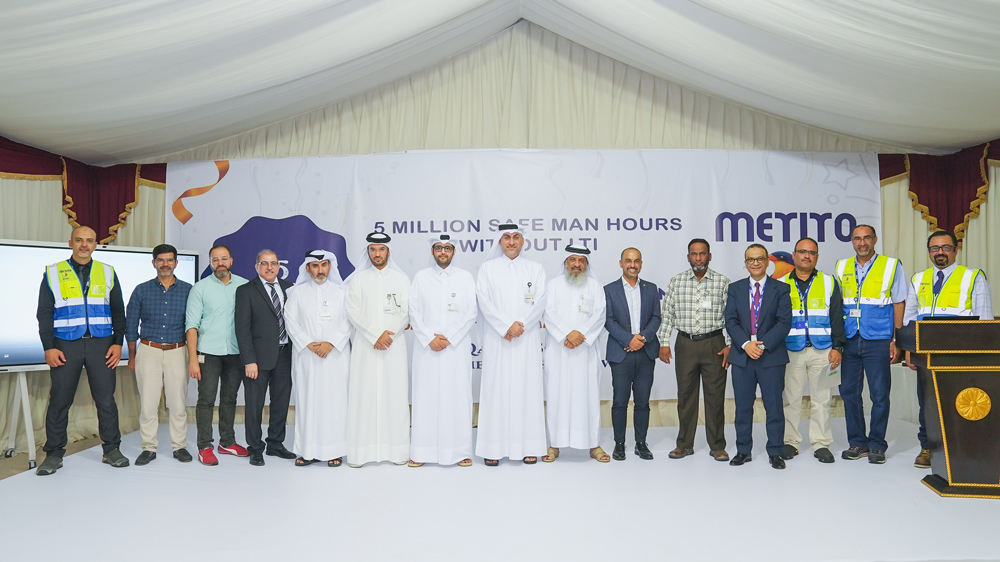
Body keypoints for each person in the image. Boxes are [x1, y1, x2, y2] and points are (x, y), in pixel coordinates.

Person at [35, 226, 129, 475]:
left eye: (89, 241)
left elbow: (118, 311)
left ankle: (112, 450)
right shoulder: (53, 272)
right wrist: (49, 347)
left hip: (102, 345)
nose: (84, 245)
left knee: (106, 400)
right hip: (65, 345)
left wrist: (118, 343)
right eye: (79, 240)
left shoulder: (107, 272)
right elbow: (44, 313)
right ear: (70, 243)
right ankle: (54, 454)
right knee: (59, 401)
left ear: (96, 244)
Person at [903, 230, 992, 468]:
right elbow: (910, 318)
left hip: (961, 356)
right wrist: (909, 352)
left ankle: (962, 449)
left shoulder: (973, 276)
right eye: (934, 248)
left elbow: (985, 320)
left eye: (945, 247)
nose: (940, 252)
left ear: (955, 249)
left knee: (958, 403)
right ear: (929, 251)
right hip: (926, 356)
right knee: (928, 403)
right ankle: (928, 448)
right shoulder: (918, 278)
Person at [475, 223, 548, 466]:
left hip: (526, 340)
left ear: (523, 241)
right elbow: (484, 302)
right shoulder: (487, 269)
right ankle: (492, 448)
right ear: (499, 241)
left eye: (516, 237)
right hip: (498, 340)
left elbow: (540, 302)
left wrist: (521, 326)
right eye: (506, 237)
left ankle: (529, 446)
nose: (511, 242)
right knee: (496, 390)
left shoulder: (535, 269)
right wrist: (506, 325)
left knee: (527, 390)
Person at [835, 225, 907, 464]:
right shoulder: (842, 266)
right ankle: (857, 442)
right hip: (849, 339)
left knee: (879, 394)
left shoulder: (891, 265)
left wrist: (896, 340)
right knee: (849, 393)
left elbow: (899, 303)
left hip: (878, 340)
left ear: (875, 240)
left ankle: (877, 444)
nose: (862, 242)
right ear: (852, 241)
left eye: (867, 238)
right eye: (857, 238)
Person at [657, 238, 731, 462]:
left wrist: (729, 345)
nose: (698, 258)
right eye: (694, 254)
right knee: (686, 397)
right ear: (688, 256)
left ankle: (717, 445)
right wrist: (664, 342)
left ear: (710, 256)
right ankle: (684, 444)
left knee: (715, 398)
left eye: (702, 254)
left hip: (714, 344)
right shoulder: (677, 281)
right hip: (686, 344)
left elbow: (731, 317)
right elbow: (667, 313)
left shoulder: (722, 282)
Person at [408, 235, 477, 467]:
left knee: (457, 397)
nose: (443, 252)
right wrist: (430, 338)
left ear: (454, 251)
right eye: (439, 248)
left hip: (455, 350)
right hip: (427, 349)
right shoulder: (421, 277)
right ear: (433, 251)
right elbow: (413, 312)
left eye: (447, 248)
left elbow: (471, 312)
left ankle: (459, 452)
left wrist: (450, 338)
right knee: (425, 398)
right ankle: (421, 452)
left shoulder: (465, 278)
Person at [777, 237, 846, 464]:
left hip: (823, 352)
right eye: (802, 252)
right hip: (790, 351)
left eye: (812, 253)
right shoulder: (780, 282)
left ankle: (821, 444)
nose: (807, 256)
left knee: (822, 400)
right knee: (791, 399)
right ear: (794, 255)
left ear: (817, 257)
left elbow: (837, 317)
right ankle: (790, 442)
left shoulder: (829, 282)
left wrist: (837, 347)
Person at [345, 233, 411, 467]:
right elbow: (352, 310)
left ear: (388, 252)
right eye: (373, 250)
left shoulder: (401, 279)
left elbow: (406, 312)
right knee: (364, 395)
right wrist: (375, 334)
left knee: (395, 394)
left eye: (381, 250)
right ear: (368, 252)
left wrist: (388, 334)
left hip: (393, 344)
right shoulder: (358, 279)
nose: (377, 254)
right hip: (366, 345)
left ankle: (397, 452)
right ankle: (361, 453)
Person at [725, 243, 792, 470]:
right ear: (745, 263)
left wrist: (761, 346)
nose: (755, 262)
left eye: (760, 258)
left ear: (766, 261)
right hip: (743, 356)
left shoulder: (781, 289)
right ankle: (743, 450)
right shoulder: (734, 289)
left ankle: (775, 451)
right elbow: (731, 321)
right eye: (751, 259)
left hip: (771, 357)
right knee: (743, 407)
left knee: (774, 406)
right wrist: (746, 344)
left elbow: (784, 323)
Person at [125, 243, 193, 465]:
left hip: (177, 351)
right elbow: (131, 325)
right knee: (148, 404)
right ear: (154, 263)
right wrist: (133, 357)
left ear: (176, 262)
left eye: (169, 260)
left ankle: (179, 446)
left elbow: (193, 325)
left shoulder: (188, 290)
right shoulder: (141, 290)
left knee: (178, 404)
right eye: (161, 260)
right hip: (148, 350)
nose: (165, 264)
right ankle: (149, 447)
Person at [284, 250, 352, 467]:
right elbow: (290, 321)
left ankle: (335, 450)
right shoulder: (296, 293)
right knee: (307, 401)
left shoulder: (342, 292)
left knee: (335, 403)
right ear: (308, 268)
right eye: (315, 266)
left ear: (329, 267)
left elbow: (348, 321)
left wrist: (330, 343)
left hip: (335, 357)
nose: (320, 270)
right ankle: (307, 450)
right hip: (307, 357)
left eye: (324, 265)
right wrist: (308, 343)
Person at [542, 245, 609, 463]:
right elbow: (548, 312)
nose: (577, 265)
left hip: (585, 351)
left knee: (587, 396)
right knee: (556, 395)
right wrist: (567, 335)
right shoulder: (553, 285)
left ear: (587, 264)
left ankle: (593, 445)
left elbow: (600, 315)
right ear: (565, 263)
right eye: (573, 260)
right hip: (559, 350)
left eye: (581, 261)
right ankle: (554, 444)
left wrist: (581, 336)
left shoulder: (596, 287)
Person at [185, 244, 250, 466]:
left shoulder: (244, 286)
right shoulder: (199, 289)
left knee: (230, 399)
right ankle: (205, 446)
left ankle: (227, 442)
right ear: (211, 263)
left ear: (231, 261)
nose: (220, 263)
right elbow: (191, 326)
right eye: (215, 260)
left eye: (224, 259)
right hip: (208, 354)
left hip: (235, 353)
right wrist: (193, 359)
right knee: (206, 400)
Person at [235, 249, 295, 466]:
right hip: (257, 360)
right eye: (264, 263)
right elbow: (242, 329)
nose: (270, 267)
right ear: (256, 267)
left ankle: (276, 444)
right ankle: (255, 447)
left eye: (274, 263)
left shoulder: (290, 289)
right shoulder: (246, 291)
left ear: (279, 266)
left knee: (281, 402)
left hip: (285, 355)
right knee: (254, 404)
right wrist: (249, 360)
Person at [604, 247, 660, 461]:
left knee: (643, 402)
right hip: (621, 354)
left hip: (645, 353)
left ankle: (641, 443)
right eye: (628, 261)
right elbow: (608, 320)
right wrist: (629, 340)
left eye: (636, 261)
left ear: (641, 263)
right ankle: (619, 444)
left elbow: (656, 317)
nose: (632, 265)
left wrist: (642, 339)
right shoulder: (609, 290)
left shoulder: (651, 288)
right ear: (621, 263)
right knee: (619, 401)